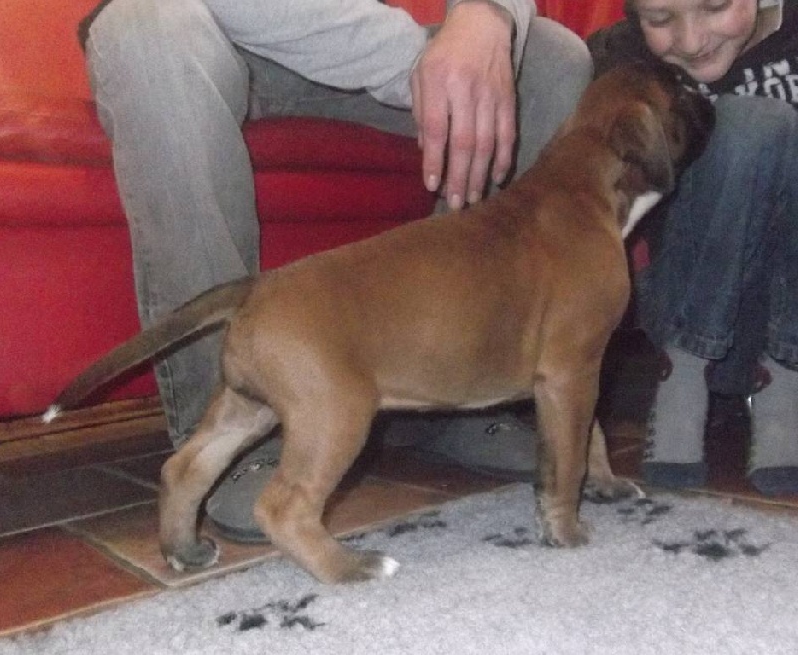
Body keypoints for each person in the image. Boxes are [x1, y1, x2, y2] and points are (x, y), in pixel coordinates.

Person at [80, 0, 593, 542]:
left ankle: (454, 393)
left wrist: (486, 16)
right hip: (204, 33)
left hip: (355, 38)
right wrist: (420, 62)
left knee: (550, 56)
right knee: (146, 25)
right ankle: (225, 441)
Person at [589, 0, 798, 495]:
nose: (691, 40)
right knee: (750, 124)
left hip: (783, 305)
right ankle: (680, 372)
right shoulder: (625, 64)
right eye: (661, 20)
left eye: (715, 6)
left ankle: (784, 375)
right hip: (685, 298)